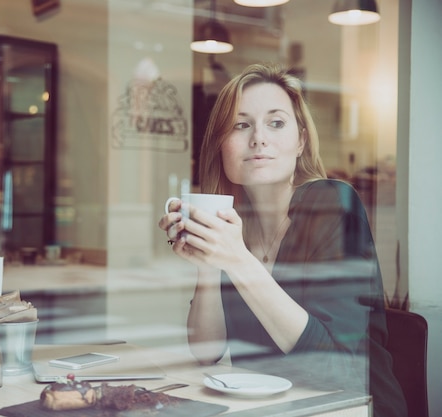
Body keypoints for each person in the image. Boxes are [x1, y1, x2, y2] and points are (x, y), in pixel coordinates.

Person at [159, 63, 406, 417]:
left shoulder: (333, 202)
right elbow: (207, 353)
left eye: (276, 123)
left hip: (350, 408)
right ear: (220, 146)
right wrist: (208, 266)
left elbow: (335, 368)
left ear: (301, 141)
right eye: (241, 125)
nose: (258, 138)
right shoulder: (233, 224)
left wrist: (236, 260)